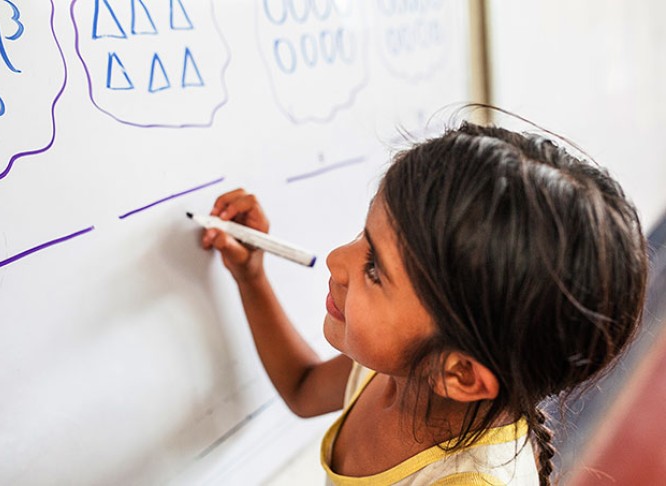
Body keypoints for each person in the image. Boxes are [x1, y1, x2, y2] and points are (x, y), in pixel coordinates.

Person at [200, 121, 648, 485]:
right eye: (363, 235)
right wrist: (250, 277)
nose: (336, 261)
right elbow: (303, 387)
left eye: (374, 268)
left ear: (458, 373)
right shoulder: (400, 367)